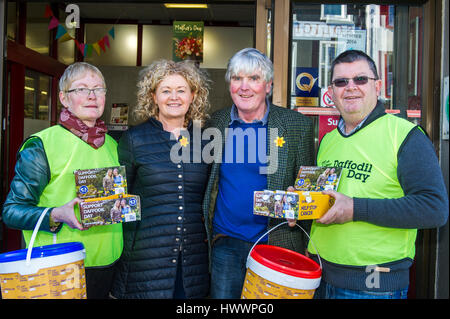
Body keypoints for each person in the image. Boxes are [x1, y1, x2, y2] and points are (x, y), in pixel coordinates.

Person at [301, 50, 448, 299]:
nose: (351, 88)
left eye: (360, 79)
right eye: (341, 81)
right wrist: (299, 204)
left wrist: (355, 209)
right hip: (318, 276)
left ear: (377, 86)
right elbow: (324, 200)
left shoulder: (404, 135)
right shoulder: (329, 140)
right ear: (331, 91)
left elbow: (434, 208)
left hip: (373, 287)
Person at [2, 62, 123, 299]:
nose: (91, 96)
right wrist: (55, 214)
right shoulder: (42, 145)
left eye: (98, 89)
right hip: (57, 266)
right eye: (81, 89)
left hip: (107, 265)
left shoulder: (113, 145)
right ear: (63, 98)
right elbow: (11, 212)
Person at [202, 48, 315, 299]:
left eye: (254, 78)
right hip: (226, 242)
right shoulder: (215, 123)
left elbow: (309, 189)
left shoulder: (297, 125)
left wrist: (301, 204)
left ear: (268, 85)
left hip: (278, 241)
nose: (244, 87)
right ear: (229, 84)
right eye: (237, 78)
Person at [111, 60, 210, 299]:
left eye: (181, 90)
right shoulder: (134, 140)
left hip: (193, 260)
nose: (173, 97)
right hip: (146, 260)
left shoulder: (206, 141)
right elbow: (117, 197)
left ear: (193, 96)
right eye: (166, 90)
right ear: (153, 96)